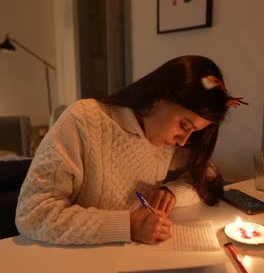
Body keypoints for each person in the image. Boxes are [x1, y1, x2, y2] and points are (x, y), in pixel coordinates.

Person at [15, 55, 247, 246]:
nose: (184, 141)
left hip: (135, 257)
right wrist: (127, 225)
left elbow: (208, 173)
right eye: (184, 126)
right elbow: (33, 214)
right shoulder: (84, 121)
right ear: (159, 99)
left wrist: (173, 191)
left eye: (194, 133)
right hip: (77, 264)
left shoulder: (169, 141)